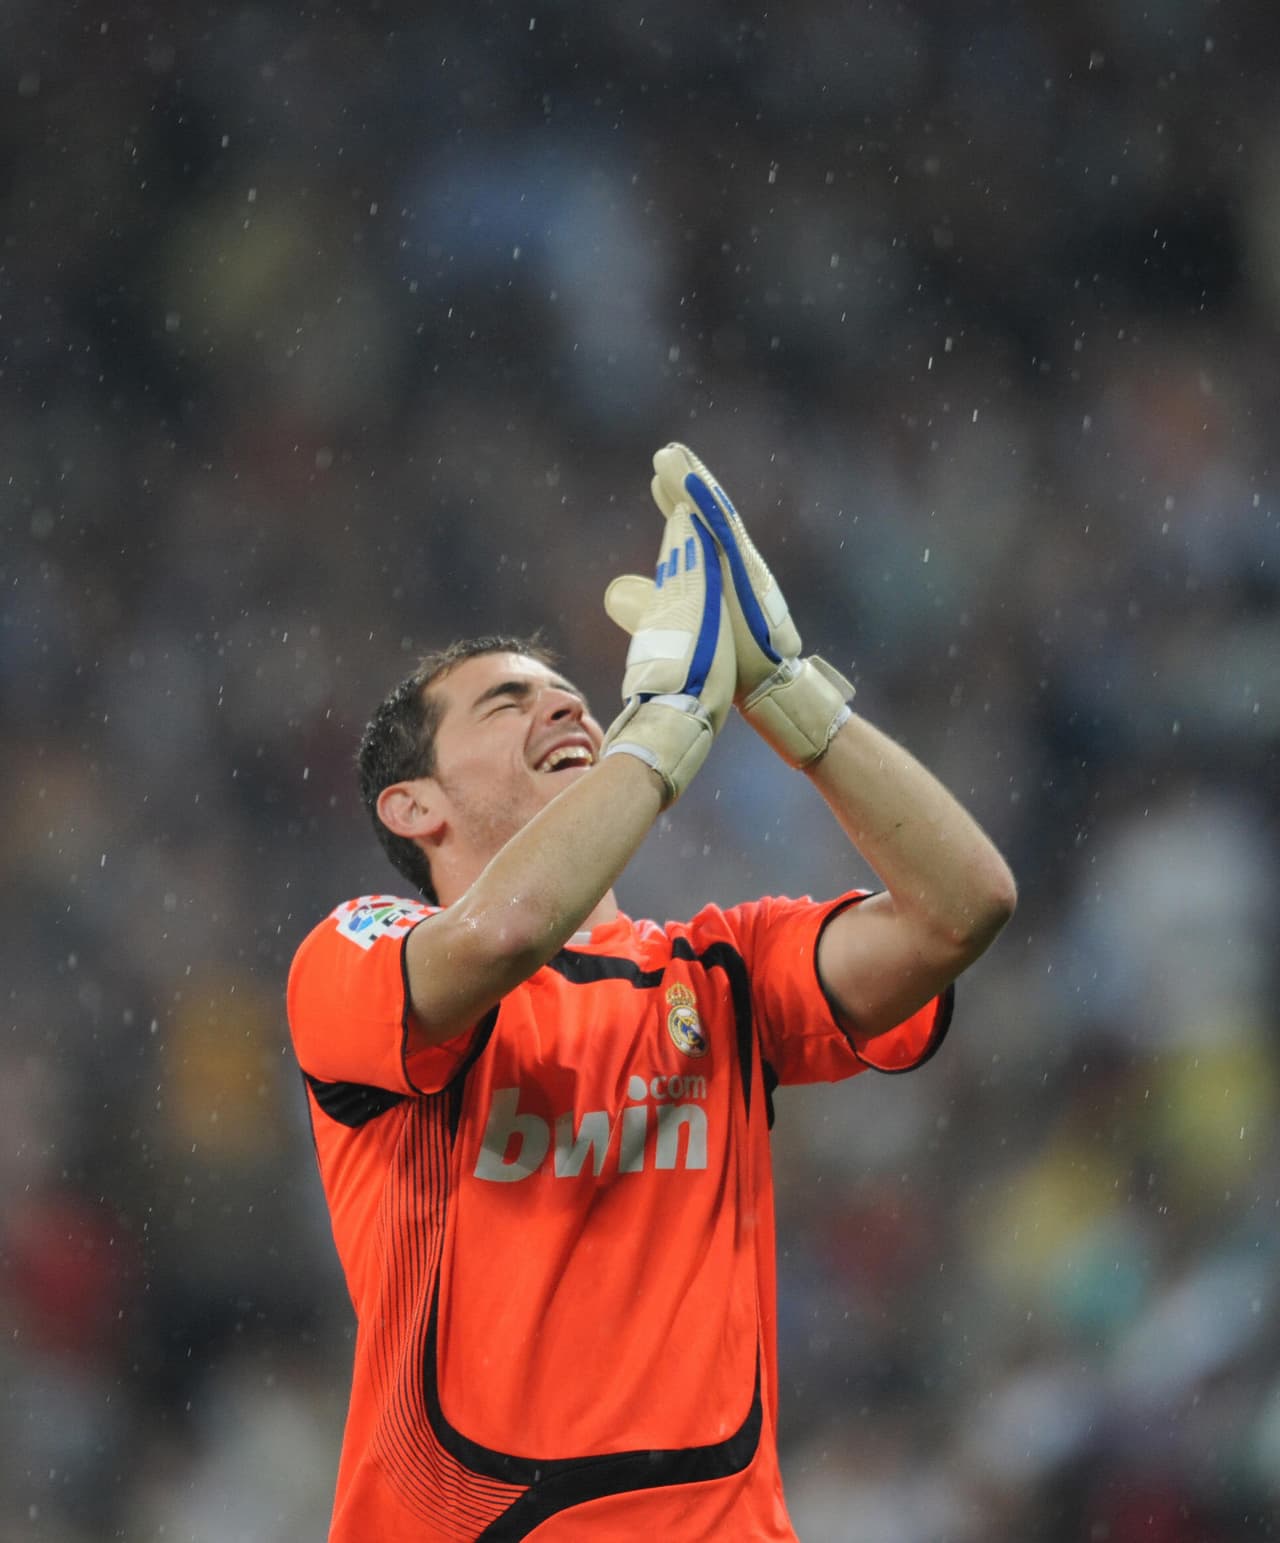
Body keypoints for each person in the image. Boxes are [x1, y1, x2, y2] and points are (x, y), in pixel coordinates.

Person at [286, 444, 1017, 1542]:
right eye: (505, 702)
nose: (569, 710)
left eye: (575, 697)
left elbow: (965, 906)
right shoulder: (355, 952)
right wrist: (664, 724)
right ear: (411, 808)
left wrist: (786, 692)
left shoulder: (721, 969)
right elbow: (505, 930)